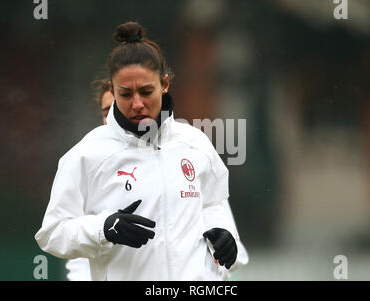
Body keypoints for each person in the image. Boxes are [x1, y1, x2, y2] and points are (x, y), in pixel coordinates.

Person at [35, 21, 248, 280]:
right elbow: (52, 234)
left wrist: (226, 235)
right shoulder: (86, 155)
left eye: (146, 91)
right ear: (112, 91)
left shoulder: (195, 143)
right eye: (125, 94)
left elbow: (214, 203)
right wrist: (103, 228)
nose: (137, 104)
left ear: (165, 84)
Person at [64, 79, 114, 281]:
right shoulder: (88, 160)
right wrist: (105, 227)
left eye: (116, 109)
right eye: (106, 111)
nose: (111, 118)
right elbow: (66, 235)